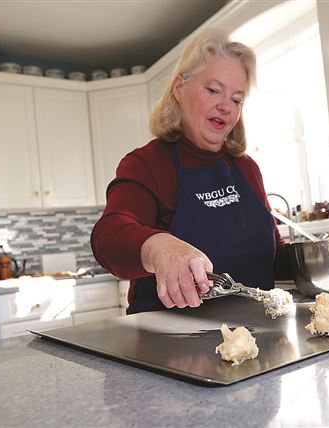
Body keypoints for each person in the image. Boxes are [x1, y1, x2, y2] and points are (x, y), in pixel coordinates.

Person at [91, 28, 290, 314]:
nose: (225, 106)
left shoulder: (247, 168)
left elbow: (269, 255)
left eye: (237, 99)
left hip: (256, 341)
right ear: (179, 87)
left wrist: (326, 259)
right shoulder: (147, 163)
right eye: (213, 90)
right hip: (170, 346)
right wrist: (158, 247)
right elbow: (108, 237)